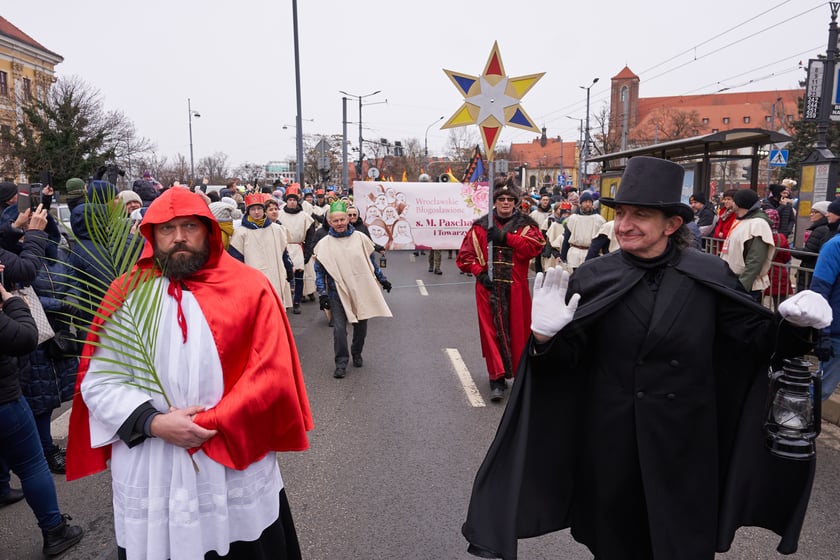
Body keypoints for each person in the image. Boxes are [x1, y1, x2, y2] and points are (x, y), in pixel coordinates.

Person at [462, 156, 831, 560]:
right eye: (620, 214)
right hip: (612, 448)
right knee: (618, 545)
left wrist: (796, 327)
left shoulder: (710, 275)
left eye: (640, 215)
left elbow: (757, 343)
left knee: (683, 544)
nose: (624, 225)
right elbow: (564, 368)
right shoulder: (594, 277)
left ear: (671, 225)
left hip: (686, 446)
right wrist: (545, 338)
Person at [66, 187, 313, 559]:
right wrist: (153, 422)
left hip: (228, 454)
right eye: (167, 229)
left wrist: (208, 425)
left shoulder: (250, 288)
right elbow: (99, 380)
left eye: (188, 227)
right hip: (154, 463)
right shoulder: (126, 294)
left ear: (209, 231)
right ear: (152, 236)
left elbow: (270, 374)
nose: (178, 237)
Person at [0, 246, 85, 557]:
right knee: (32, 463)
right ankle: (55, 530)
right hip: (6, 399)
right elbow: (23, 338)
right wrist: (11, 301)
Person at [456, 175, 544, 402]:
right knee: (491, 332)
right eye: (501, 198)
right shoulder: (481, 226)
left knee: (519, 332)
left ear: (515, 202)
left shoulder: (526, 225)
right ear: (494, 201)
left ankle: (519, 374)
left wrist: (506, 237)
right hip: (488, 290)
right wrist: (480, 273)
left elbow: (534, 248)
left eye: (509, 199)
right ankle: (496, 378)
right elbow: (464, 257)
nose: (505, 202)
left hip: (516, 289)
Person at [313, 200, 392, 379]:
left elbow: (371, 263)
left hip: (360, 290)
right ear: (330, 222)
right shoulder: (324, 244)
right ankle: (341, 362)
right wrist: (322, 294)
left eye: (343, 219)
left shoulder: (360, 238)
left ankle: (356, 352)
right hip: (336, 293)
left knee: (360, 327)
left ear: (348, 219)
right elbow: (319, 272)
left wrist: (383, 280)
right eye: (336, 220)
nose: (340, 223)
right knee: (339, 329)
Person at [228, 192, 294, 310]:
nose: (257, 212)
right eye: (253, 209)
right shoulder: (241, 233)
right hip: (252, 281)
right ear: (248, 211)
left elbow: (284, 252)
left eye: (259, 208)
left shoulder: (276, 229)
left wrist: (289, 270)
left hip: (275, 277)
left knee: (275, 312)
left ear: (264, 210)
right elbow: (236, 260)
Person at [719, 188, 775, 301]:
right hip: (733, 282)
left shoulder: (758, 224)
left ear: (740, 203)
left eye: (734, 200)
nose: (731, 203)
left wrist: (741, 288)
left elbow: (755, 260)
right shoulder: (741, 220)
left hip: (746, 288)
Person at [280, 185, 317, 314]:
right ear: (286, 200)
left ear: (297, 201)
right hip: (283, 247)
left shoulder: (304, 216)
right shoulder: (279, 214)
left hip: (297, 247)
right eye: (290, 199)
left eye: (294, 200)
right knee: (284, 276)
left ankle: (297, 302)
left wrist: (307, 252)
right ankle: (284, 302)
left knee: (299, 276)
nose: (292, 202)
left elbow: (311, 235)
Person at [792, 200, 839, 293]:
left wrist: (790, 250)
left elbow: (810, 251)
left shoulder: (821, 230)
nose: (811, 214)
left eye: (815, 212)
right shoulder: (825, 229)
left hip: (812, 273)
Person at [559, 190, 605, 273]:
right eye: (585, 202)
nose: (587, 204)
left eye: (589, 202)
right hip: (575, 254)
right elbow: (566, 238)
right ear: (581, 203)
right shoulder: (573, 219)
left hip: (592, 254)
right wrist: (563, 256)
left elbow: (603, 240)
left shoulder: (599, 220)